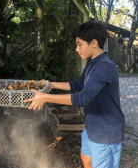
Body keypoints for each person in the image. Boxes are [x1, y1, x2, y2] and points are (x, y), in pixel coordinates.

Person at [24, 21, 125, 168]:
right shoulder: (93, 62)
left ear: (94, 43)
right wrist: (52, 85)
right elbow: (80, 84)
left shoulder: (104, 66)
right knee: (86, 160)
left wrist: (45, 97)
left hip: (105, 132)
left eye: (79, 44)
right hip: (92, 126)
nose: (76, 49)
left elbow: (83, 98)